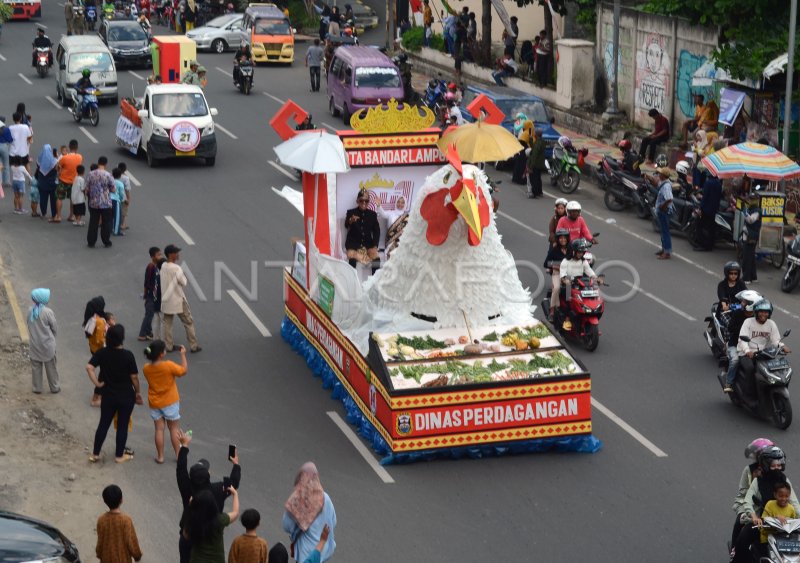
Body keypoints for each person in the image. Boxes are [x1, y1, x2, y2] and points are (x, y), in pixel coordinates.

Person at [176, 430, 242, 563]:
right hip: (211, 535)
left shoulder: (186, 488)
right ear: (209, 475)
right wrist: (236, 464)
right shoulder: (219, 489)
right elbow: (234, 483)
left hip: (189, 535)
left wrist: (184, 446)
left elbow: (181, 469)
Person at [86, 324, 142, 464]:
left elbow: (89, 367)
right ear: (122, 338)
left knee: (103, 424)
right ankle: (119, 456)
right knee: (122, 426)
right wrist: (138, 392)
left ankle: (95, 454)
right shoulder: (128, 355)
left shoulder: (103, 353)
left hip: (108, 395)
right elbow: (134, 377)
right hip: (126, 396)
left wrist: (97, 384)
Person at [733, 446, 800, 563]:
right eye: (773, 466)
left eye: (779, 465)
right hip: (762, 522)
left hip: (784, 524)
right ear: (766, 465)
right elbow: (747, 500)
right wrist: (753, 516)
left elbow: (795, 503)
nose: (777, 468)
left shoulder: (784, 480)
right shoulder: (758, 481)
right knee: (743, 538)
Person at [142, 340, 187, 464]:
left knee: (159, 429)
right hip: (170, 401)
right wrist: (182, 355)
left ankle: (160, 456)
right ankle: (178, 455)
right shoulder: (168, 365)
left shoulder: (146, 368)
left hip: (155, 403)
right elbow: (183, 370)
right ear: (161, 354)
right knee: (174, 429)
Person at [282, 463, 336, 563]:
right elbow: (334, 521)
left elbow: (286, 526)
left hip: (306, 554)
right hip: (323, 550)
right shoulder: (326, 498)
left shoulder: (297, 501)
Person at [732, 438, 775, 548]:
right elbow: (742, 494)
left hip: (772, 512)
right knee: (739, 524)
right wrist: (743, 513)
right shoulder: (749, 470)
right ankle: (734, 550)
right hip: (751, 510)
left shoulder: (776, 471)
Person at [737, 299, 791, 382]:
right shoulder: (748, 322)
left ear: (769, 313)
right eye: (761, 312)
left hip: (762, 354)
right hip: (745, 353)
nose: (764, 314)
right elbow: (742, 339)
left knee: (774, 370)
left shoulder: (771, 324)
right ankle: (748, 392)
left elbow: (775, 340)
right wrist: (747, 351)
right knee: (750, 369)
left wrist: (782, 346)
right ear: (756, 312)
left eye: (766, 312)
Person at [161, 244, 202, 353]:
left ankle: (168, 346)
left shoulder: (163, 266)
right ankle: (193, 346)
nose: (178, 254)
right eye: (176, 252)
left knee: (167, 324)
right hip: (178, 300)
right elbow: (184, 282)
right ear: (171, 255)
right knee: (188, 322)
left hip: (166, 300)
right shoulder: (176, 268)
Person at [184, 488, 239, 563]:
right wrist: (235, 494)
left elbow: (186, 535)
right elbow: (235, 513)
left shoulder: (193, 521)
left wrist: (190, 508)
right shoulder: (220, 520)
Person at [722, 289, 761, 393]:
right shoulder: (738, 313)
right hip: (735, 345)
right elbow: (730, 327)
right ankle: (728, 382)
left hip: (752, 346)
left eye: (745, 302)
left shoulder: (757, 317)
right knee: (734, 361)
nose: (742, 303)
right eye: (743, 301)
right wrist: (744, 330)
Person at [96, 484, 143, 563]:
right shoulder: (126, 520)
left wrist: (99, 554)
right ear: (121, 500)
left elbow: (100, 541)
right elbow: (131, 542)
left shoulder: (101, 520)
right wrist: (137, 556)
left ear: (105, 501)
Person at [27, 288, 60, 394]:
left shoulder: (30, 311)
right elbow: (54, 327)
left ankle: (37, 388)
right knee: (51, 367)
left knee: (36, 367)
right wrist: (52, 337)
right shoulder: (48, 312)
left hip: (34, 344)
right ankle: (54, 387)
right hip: (47, 345)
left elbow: (28, 324)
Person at [344, 189, 380, 272]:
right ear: (357, 201)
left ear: (368, 202)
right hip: (353, 243)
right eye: (361, 200)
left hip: (367, 244)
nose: (364, 203)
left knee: (376, 257)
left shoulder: (372, 214)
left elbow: (376, 231)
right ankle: (352, 281)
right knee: (351, 256)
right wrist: (351, 220)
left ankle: (374, 281)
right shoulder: (351, 212)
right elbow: (346, 225)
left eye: (366, 201)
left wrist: (375, 245)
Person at [86, 156, 115, 248]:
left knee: (93, 222)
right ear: (105, 164)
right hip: (105, 202)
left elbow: (86, 188)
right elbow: (113, 189)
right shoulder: (108, 175)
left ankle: (91, 242)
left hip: (93, 202)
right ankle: (106, 241)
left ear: (98, 163)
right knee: (106, 223)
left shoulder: (90, 174)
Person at [544, 228, 571, 321]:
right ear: (558, 239)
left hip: (569, 274)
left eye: (565, 238)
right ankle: (552, 310)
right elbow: (546, 263)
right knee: (556, 288)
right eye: (561, 238)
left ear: (567, 239)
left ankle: (569, 311)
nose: (563, 240)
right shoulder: (554, 249)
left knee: (571, 289)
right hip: (557, 273)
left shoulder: (571, 250)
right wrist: (556, 266)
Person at [139, 247, 163, 341]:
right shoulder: (151, 266)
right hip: (151, 295)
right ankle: (142, 334)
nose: (160, 256)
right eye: (158, 255)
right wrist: (145, 294)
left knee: (151, 314)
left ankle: (148, 332)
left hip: (156, 295)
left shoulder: (158, 266)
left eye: (161, 254)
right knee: (149, 314)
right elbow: (147, 282)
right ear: (152, 256)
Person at [54, 139, 81, 222]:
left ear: (69, 147)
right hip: (74, 181)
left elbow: (57, 167)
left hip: (63, 180)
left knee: (59, 198)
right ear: (77, 148)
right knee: (72, 199)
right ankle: (71, 216)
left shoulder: (64, 158)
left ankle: (58, 216)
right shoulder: (80, 157)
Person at [694, 171, 722, 251]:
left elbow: (705, 197)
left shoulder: (708, 183)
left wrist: (700, 207)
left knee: (699, 225)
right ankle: (710, 245)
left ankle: (702, 244)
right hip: (714, 209)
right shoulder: (719, 184)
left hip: (706, 209)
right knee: (711, 228)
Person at [651, 167, 674, 259]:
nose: (658, 175)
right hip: (662, 211)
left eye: (660, 174)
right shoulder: (663, 182)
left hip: (664, 212)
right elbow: (656, 184)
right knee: (662, 231)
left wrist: (662, 206)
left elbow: (669, 198)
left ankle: (667, 252)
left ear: (663, 176)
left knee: (665, 232)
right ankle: (664, 249)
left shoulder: (666, 186)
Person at [34, 145, 58, 220]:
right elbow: (57, 169)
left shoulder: (39, 159)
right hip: (52, 183)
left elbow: (38, 167)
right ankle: (54, 214)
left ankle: (43, 213)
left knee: (43, 199)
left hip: (42, 182)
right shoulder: (54, 161)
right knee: (53, 200)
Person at [741, 195, 760, 283]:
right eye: (750, 199)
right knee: (751, 258)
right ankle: (753, 277)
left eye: (753, 199)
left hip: (751, 236)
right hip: (749, 235)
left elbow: (750, 220)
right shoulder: (751, 209)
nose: (751, 201)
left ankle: (746, 278)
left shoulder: (756, 211)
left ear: (757, 200)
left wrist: (744, 211)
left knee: (747, 258)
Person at [526, 126, 546, 198]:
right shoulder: (541, 141)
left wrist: (531, 166)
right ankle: (539, 192)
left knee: (534, 179)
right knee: (538, 178)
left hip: (536, 164)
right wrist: (530, 139)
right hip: (540, 163)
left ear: (536, 134)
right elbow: (533, 146)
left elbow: (534, 155)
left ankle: (534, 193)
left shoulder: (538, 143)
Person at [118, 162, 132, 230]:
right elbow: (127, 189)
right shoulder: (126, 178)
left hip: (114, 196)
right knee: (124, 211)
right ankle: (122, 224)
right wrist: (128, 198)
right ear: (125, 169)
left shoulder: (113, 176)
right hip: (123, 197)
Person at [110, 167, 124, 235]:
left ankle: (108, 229)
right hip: (115, 200)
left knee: (109, 215)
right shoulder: (120, 183)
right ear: (120, 175)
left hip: (108, 199)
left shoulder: (110, 181)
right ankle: (116, 231)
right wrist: (121, 199)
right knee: (117, 216)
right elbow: (121, 193)